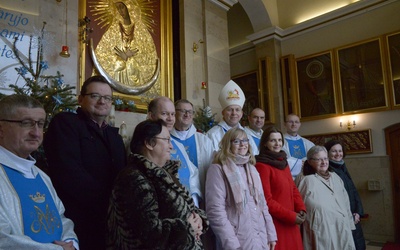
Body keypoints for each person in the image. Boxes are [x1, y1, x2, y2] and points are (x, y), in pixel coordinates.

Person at [43, 75, 127, 250]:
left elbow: (123, 174)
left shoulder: (114, 136)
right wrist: (109, 202)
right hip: (78, 220)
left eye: (107, 98)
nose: (102, 101)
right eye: (95, 96)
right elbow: (68, 173)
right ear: (81, 99)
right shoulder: (66, 123)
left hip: (111, 223)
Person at [106, 119, 208, 249]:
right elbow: (148, 233)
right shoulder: (133, 178)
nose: (171, 146)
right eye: (167, 140)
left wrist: (199, 219)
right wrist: (187, 228)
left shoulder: (166, 173)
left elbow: (186, 207)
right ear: (149, 143)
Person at [0, 94, 78, 249]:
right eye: (26, 123)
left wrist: (72, 243)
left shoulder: (41, 176)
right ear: (1, 129)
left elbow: (62, 219)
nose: (36, 133)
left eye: (40, 124)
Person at [205, 127, 277, 249]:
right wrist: (231, 244)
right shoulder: (218, 169)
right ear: (228, 144)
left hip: (260, 238)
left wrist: (271, 235)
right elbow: (215, 211)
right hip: (237, 240)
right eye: (236, 141)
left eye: (245, 140)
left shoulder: (252, 168)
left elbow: (262, 204)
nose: (242, 144)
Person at [255, 127, 306, 250]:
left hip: (292, 220)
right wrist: (291, 217)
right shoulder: (262, 165)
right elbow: (266, 200)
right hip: (277, 222)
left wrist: (301, 208)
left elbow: (293, 188)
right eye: (273, 140)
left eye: (279, 140)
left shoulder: (283, 162)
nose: (277, 144)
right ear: (265, 143)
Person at [297, 145, 356, 250]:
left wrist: (350, 224)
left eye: (325, 158)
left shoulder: (335, 177)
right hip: (321, 230)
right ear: (310, 161)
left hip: (342, 227)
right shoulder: (305, 180)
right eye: (319, 159)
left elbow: (346, 203)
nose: (324, 162)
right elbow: (297, 207)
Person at [147, 96, 202, 207]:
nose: (170, 118)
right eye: (164, 113)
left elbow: (193, 176)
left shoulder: (177, 145)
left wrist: (194, 208)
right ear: (151, 116)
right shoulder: (144, 143)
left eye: (172, 114)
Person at [324, 140, 366, 250]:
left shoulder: (342, 166)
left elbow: (353, 190)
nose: (338, 154)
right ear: (327, 153)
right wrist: (349, 215)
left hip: (353, 215)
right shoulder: (327, 170)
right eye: (333, 151)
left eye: (340, 151)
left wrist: (358, 212)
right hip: (343, 217)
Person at [170, 99, 214, 194]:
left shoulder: (204, 140)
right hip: (174, 194)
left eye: (190, 112)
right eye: (182, 111)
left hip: (200, 193)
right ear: (174, 113)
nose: (187, 114)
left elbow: (212, 169)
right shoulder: (167, 139)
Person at [207, 80, 259, 155]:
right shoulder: (213, 134)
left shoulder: (247, 134)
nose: (234, 113)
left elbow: (254, 155)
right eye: (230, 110)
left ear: (241, 114)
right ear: (223, 113)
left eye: (237, 110)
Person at [282, 114, 314, 179]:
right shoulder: (280, 142)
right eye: (290, 122)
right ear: (285, 124)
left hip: (307, 176)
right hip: (290, 177)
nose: (294, 124)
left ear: (300, 124)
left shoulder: (308, 143)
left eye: (296, 122)